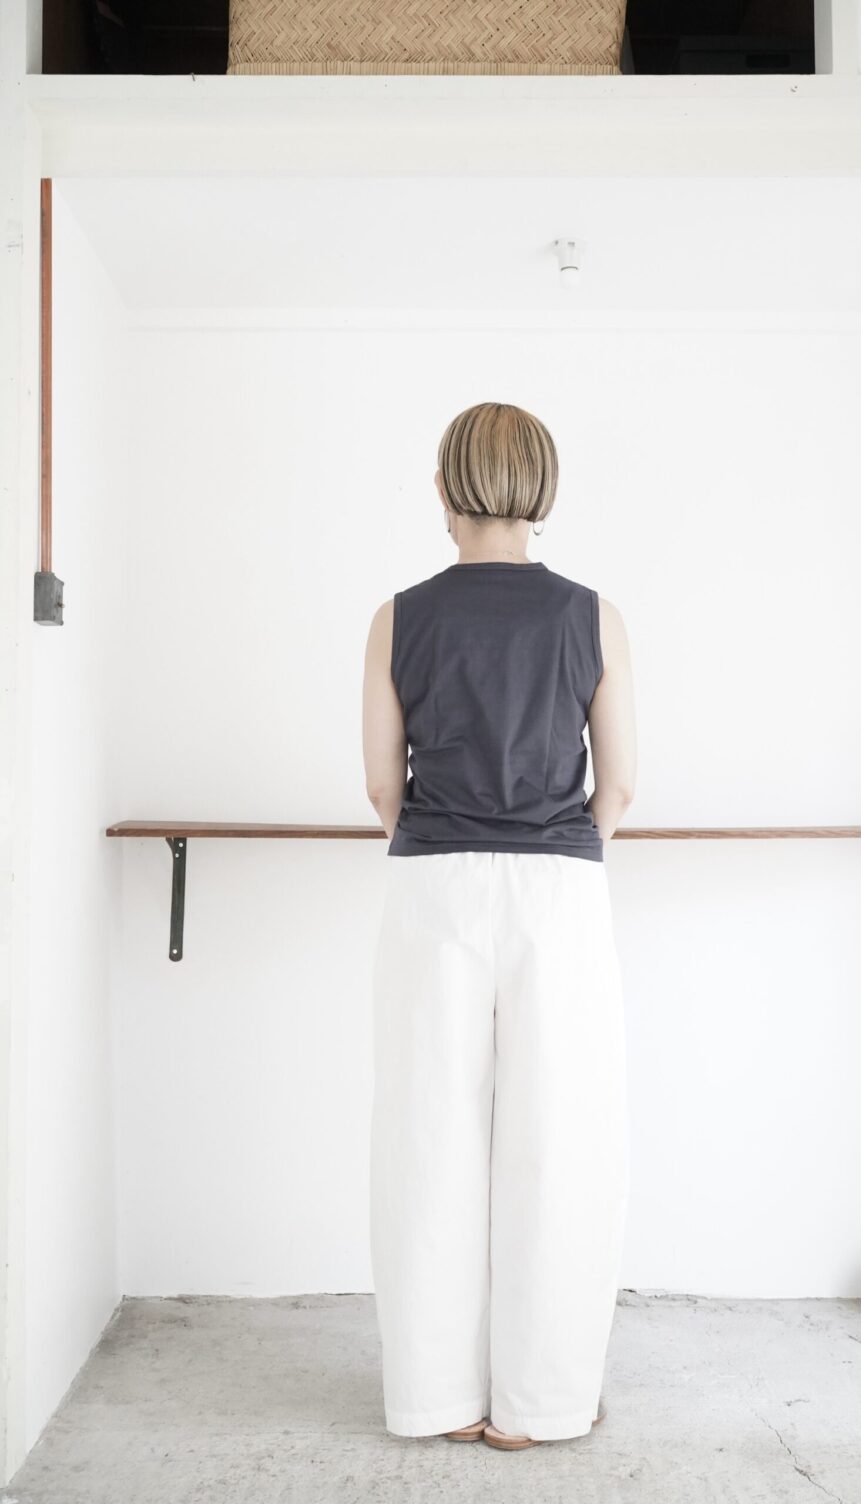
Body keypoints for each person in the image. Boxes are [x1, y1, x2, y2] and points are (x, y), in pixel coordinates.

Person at [361, 401, 636, 1451]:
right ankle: (543, 1404)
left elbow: (382, 787)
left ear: (442, 489)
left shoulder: (397, 618)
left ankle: (434, 1399)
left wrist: (448, 841)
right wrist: (555, 848)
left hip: (432, 888)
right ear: (543, 491)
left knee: (428, 1135)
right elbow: (620, 787)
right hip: (558, 892)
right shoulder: (593, 616)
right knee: (559, 1141)